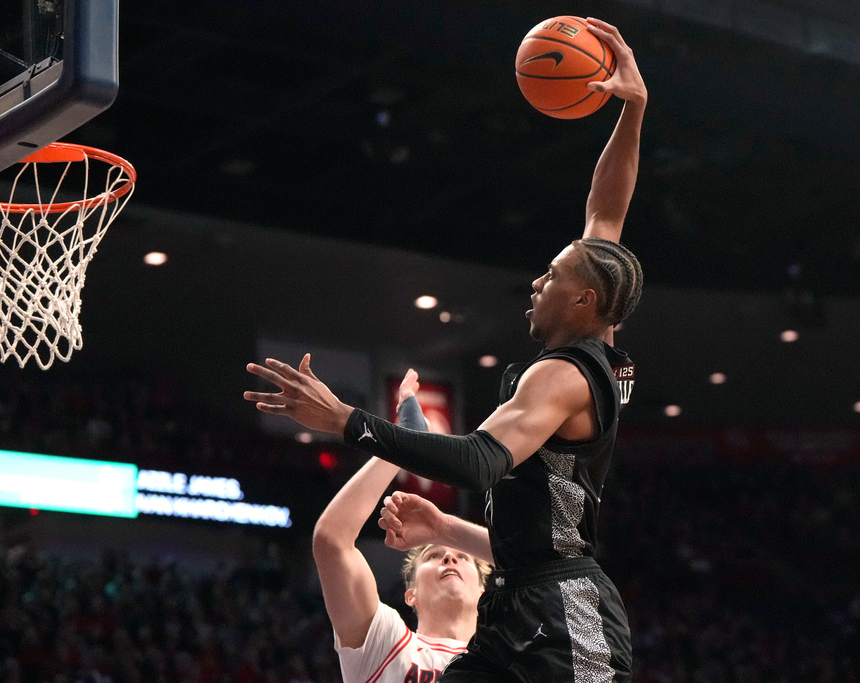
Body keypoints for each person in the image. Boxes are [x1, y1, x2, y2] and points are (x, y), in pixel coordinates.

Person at [244, 16, 645, 681]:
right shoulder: (594, 329)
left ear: (584, 302)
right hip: (518, 607)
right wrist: (630, 111)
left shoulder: (566, 374)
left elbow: (483, 460)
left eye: (554, 274)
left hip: (566, 617)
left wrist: (350, 422)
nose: (539, 279)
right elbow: (605, 217)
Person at [312, 369, 491, 683]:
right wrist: (403, 442)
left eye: (463, 557)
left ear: (483, 589)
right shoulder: (387, 642)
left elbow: (554, 563)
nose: (450, 558)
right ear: (411, 595)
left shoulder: (511, 658)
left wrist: (443, 528)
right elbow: (331, 540)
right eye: (433, 556)